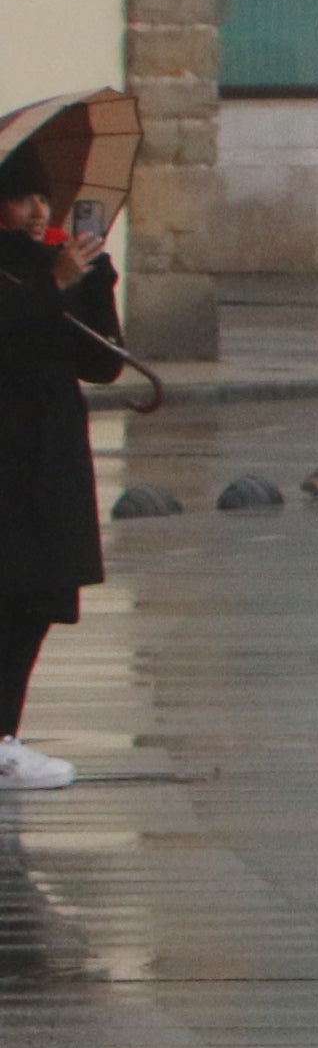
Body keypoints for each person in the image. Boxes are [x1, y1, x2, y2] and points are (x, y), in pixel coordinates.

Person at [0, 141, 136, 792]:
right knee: (7, 596)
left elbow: (103, 362)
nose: (36, 211)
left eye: (43, 199)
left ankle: (4, 734)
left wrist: (95, 280)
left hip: (49, 458)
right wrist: (51, 284)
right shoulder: (24, 274)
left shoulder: (47, 264)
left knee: (38, 598)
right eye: (22, 198)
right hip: (7, 459)